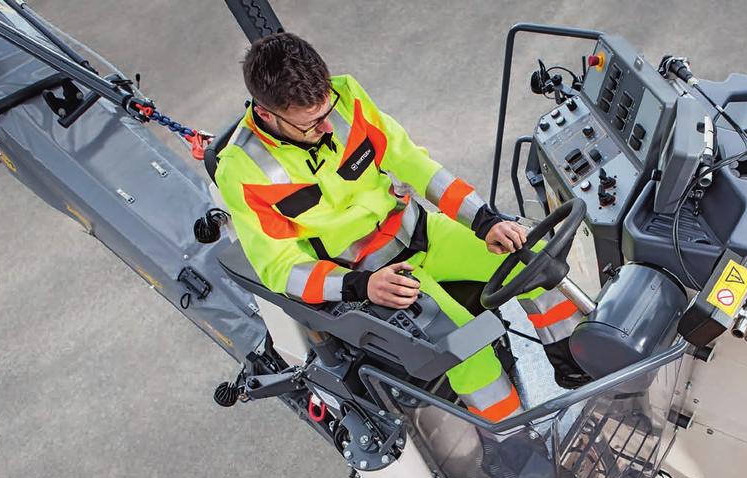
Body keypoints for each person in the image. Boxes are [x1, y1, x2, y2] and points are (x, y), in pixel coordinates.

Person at [215, 32, 588, 421]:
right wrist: (360, 286)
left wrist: (485, 219)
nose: (327, 128)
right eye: (311, 124)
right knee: (468, 350)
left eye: (327, 112)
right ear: (267, 114)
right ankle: (518, 442)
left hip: (421, 232)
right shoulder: (242, 171)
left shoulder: (347, 98)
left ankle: (580, 376)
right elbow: (281, 268)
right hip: (376, 277)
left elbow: (411, 162)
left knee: (537, 266)